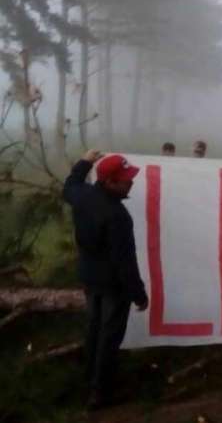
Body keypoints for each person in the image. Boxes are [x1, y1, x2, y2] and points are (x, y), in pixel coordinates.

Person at [63, 150, 149, 410]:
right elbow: (125, 262)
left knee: (94, 330)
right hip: (113, 286)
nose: (131, 182)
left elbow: (70, 184)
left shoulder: (83, 196)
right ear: (109, 182)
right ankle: (101, 394)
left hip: (90, 278)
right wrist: (139, 294)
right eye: (125, 179)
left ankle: (90, 380)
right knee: (109, 338)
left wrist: (85, 160)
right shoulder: (117, 216)